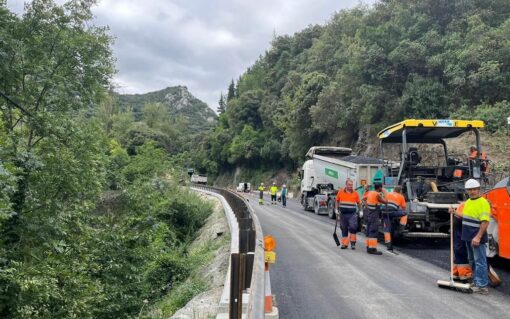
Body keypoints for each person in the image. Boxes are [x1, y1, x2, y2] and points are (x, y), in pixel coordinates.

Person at [461, 179, 491, 294]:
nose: (472, 191)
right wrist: (454, 212)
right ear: (467, 191)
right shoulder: (468, 201)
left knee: (480, 261)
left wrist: (478, 237)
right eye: (470, 190)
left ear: (478, 190)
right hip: (468, 236)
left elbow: (485, 222)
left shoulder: (483, 202)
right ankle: (476, 281)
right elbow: (467, 217)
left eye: (474, 189)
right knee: (472, 260)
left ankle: (482, 286)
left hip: (476, 237)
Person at [448, 202, 473, 282]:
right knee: (461, 250)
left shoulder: (464, 204)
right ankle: (464, 274)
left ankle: (456, 273)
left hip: (458, 225)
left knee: (458, 250)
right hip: (461, 227)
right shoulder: (469, 205)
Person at [336, 179, 361, 250]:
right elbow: (337, 201)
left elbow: (359, 203)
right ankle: (344, 244)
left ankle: (353, 243)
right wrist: (336, 209)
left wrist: (360, 211)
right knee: (344, 228)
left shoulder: (355, 193)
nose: (351, 186)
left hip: (352, 214)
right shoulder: (340, 192)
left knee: (353, 227)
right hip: (343, 214)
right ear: (346, 185)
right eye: (349, 185)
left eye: (351, 185)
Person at [381, 186, 408, 251]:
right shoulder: (401, 196)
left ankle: (388, 245)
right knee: (405, 214)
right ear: (400, 191)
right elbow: (403, 208)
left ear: (394, 190)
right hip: (392, 212)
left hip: (384, 212)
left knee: (387, 228)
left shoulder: (389, 194)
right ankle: (401, 228)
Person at [363, 183, 387, 255]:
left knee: (369, 230)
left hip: (369, 214)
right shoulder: (377, 195)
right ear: (380, 188)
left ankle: (368, 246)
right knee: (373, 231)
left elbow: (364, 199)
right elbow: (385, 201)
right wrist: (385, 192)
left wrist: (366, 205)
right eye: (381, 187)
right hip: (374, 215)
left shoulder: (370, 193)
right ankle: (372, 249)